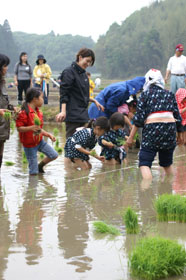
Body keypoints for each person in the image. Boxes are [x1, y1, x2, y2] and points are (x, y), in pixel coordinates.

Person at [127, 69, 183, 180]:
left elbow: (138, 120)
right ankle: (168, 188)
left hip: (152, 132)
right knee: (166, 163)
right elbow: (177, 116)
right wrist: (180, 135)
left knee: (144, 163)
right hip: (169, 132)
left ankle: (147, 190)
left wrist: (130, 137)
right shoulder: (169, 94)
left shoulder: (145, 95)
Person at [56, 48, 104, 138]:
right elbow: (64, 93)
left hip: (83, 114)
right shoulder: (69, 72)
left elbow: (82, 95)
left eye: (90, 63)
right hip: (73, 115)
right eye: (87, 61)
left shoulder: (84, 75)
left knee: (81, 144)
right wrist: (63, 111)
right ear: (80, 57)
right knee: (72, 145)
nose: (88, 64)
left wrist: (94, 101)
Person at [16, 87, 58, 175]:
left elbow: (38, 129)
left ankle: (40, 166)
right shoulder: (24, 112)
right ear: (35, 99)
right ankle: (32, 186)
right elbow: (19, 128)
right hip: (29, 145)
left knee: (54, 155)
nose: (43, 100)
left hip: (39, 141)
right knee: (33, 173)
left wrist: (48, 135)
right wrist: (30, 128)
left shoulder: (38, 112)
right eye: (42, 97)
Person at [0, 54, 15, 169]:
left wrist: (12, 108)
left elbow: (4, 101)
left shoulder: (2, 83)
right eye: (5, 65)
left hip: (2, 127)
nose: (6, 68)